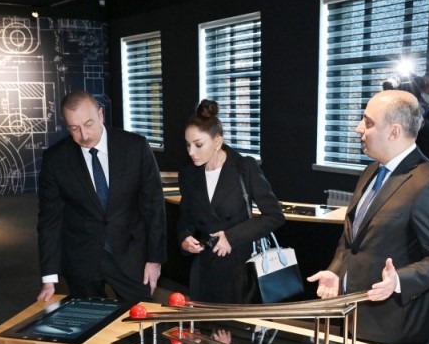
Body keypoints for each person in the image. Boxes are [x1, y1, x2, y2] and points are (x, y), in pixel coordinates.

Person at [307, 90, 429, 344]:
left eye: (368, 122)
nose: (358, 128)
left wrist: (398, 279)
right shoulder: (371, 171)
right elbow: (351, 238)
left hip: (394, 329)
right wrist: (336, 271)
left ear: (394, 131)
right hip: (352, 316)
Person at [36, 90, 167, 305]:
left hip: (130, 254)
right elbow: (50, 219)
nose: (84, 135)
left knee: (142, 317)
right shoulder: (56, 159)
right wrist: (49, 278)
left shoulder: (135, 147)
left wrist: (155, 259)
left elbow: (154, 207)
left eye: (88, 124)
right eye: (74, 128)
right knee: (90, 321)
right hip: (81, 259)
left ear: (101, 114)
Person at [177, 99, 285, 303]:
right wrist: (185, 238)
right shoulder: (189, 174)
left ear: (217, 142)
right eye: (188, 145)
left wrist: (231, 237)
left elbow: (274, 216)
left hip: (238, 270)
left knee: (234, 323)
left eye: (198, 145)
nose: (191, 152)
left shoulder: (244, 167)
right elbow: (186, 217)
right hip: (203, 271)